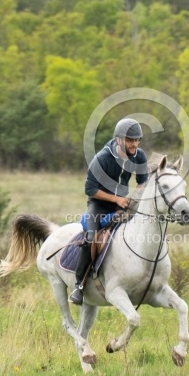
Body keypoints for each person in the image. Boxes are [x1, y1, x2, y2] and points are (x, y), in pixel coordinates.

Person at [68, 117, 148, 305]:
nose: (135, 144)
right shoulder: (102, 158)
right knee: (91, 238)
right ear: (119, 139)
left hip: (123, 203)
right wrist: (116, 199)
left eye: (137, 140)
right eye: (130, 140)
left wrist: (135, 196)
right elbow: (90, 189)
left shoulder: (139, 156)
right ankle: (78, 286)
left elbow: (142, 180)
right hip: (99, 205)